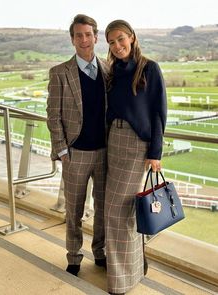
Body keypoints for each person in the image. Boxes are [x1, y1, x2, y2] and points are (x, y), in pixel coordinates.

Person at [104, 20, 167, 295]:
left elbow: (158, 111)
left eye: (120, 39)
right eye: (111, 42)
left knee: (116, 213)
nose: (117, 47)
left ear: (131, 36)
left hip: (134, 144)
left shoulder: (149, 68)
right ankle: (134, 267)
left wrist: (155, 152)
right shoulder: (113, 71)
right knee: (122, 211)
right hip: (112, 142)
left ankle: (122, 280)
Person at [46, 14, 108, 277]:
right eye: (78, 35)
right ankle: (73, 256)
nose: (84, 39)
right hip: (75, 154)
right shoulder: (60, 73)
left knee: (103, 208)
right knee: (74, 210)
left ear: (96, 37)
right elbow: (53, 114)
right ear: (72, 39)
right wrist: (62, 150)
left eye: (88, 34)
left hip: (105, 153)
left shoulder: (108, 69)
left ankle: (100, 252)